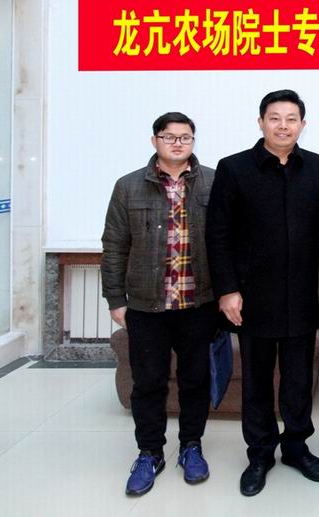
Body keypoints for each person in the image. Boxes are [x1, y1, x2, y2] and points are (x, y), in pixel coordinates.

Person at [205, 89, 319, 496]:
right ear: (260, 122)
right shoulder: (234, 168)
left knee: (298, 381)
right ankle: (260, 454)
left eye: (291, 119)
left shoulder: (317, 168)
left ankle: (296, 448)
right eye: (274, 118)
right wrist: (227, 290)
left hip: (304, 297)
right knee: (256, 382)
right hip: (252, 299)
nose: (283, 126)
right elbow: (218, 235)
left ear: (303, 125)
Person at [101, 112, 216, 496]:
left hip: (198, 303)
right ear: (155, 141)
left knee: (195, 380)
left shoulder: (213, 182)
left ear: (193, 141)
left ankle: (191, 446)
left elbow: (228, 241)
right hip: (147, 305)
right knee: (148, 382)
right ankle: (149, 452)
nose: (177, 143)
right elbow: (114, 246)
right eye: (169, 137)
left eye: (185, 137)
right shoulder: (128, 186)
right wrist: (115, 298)